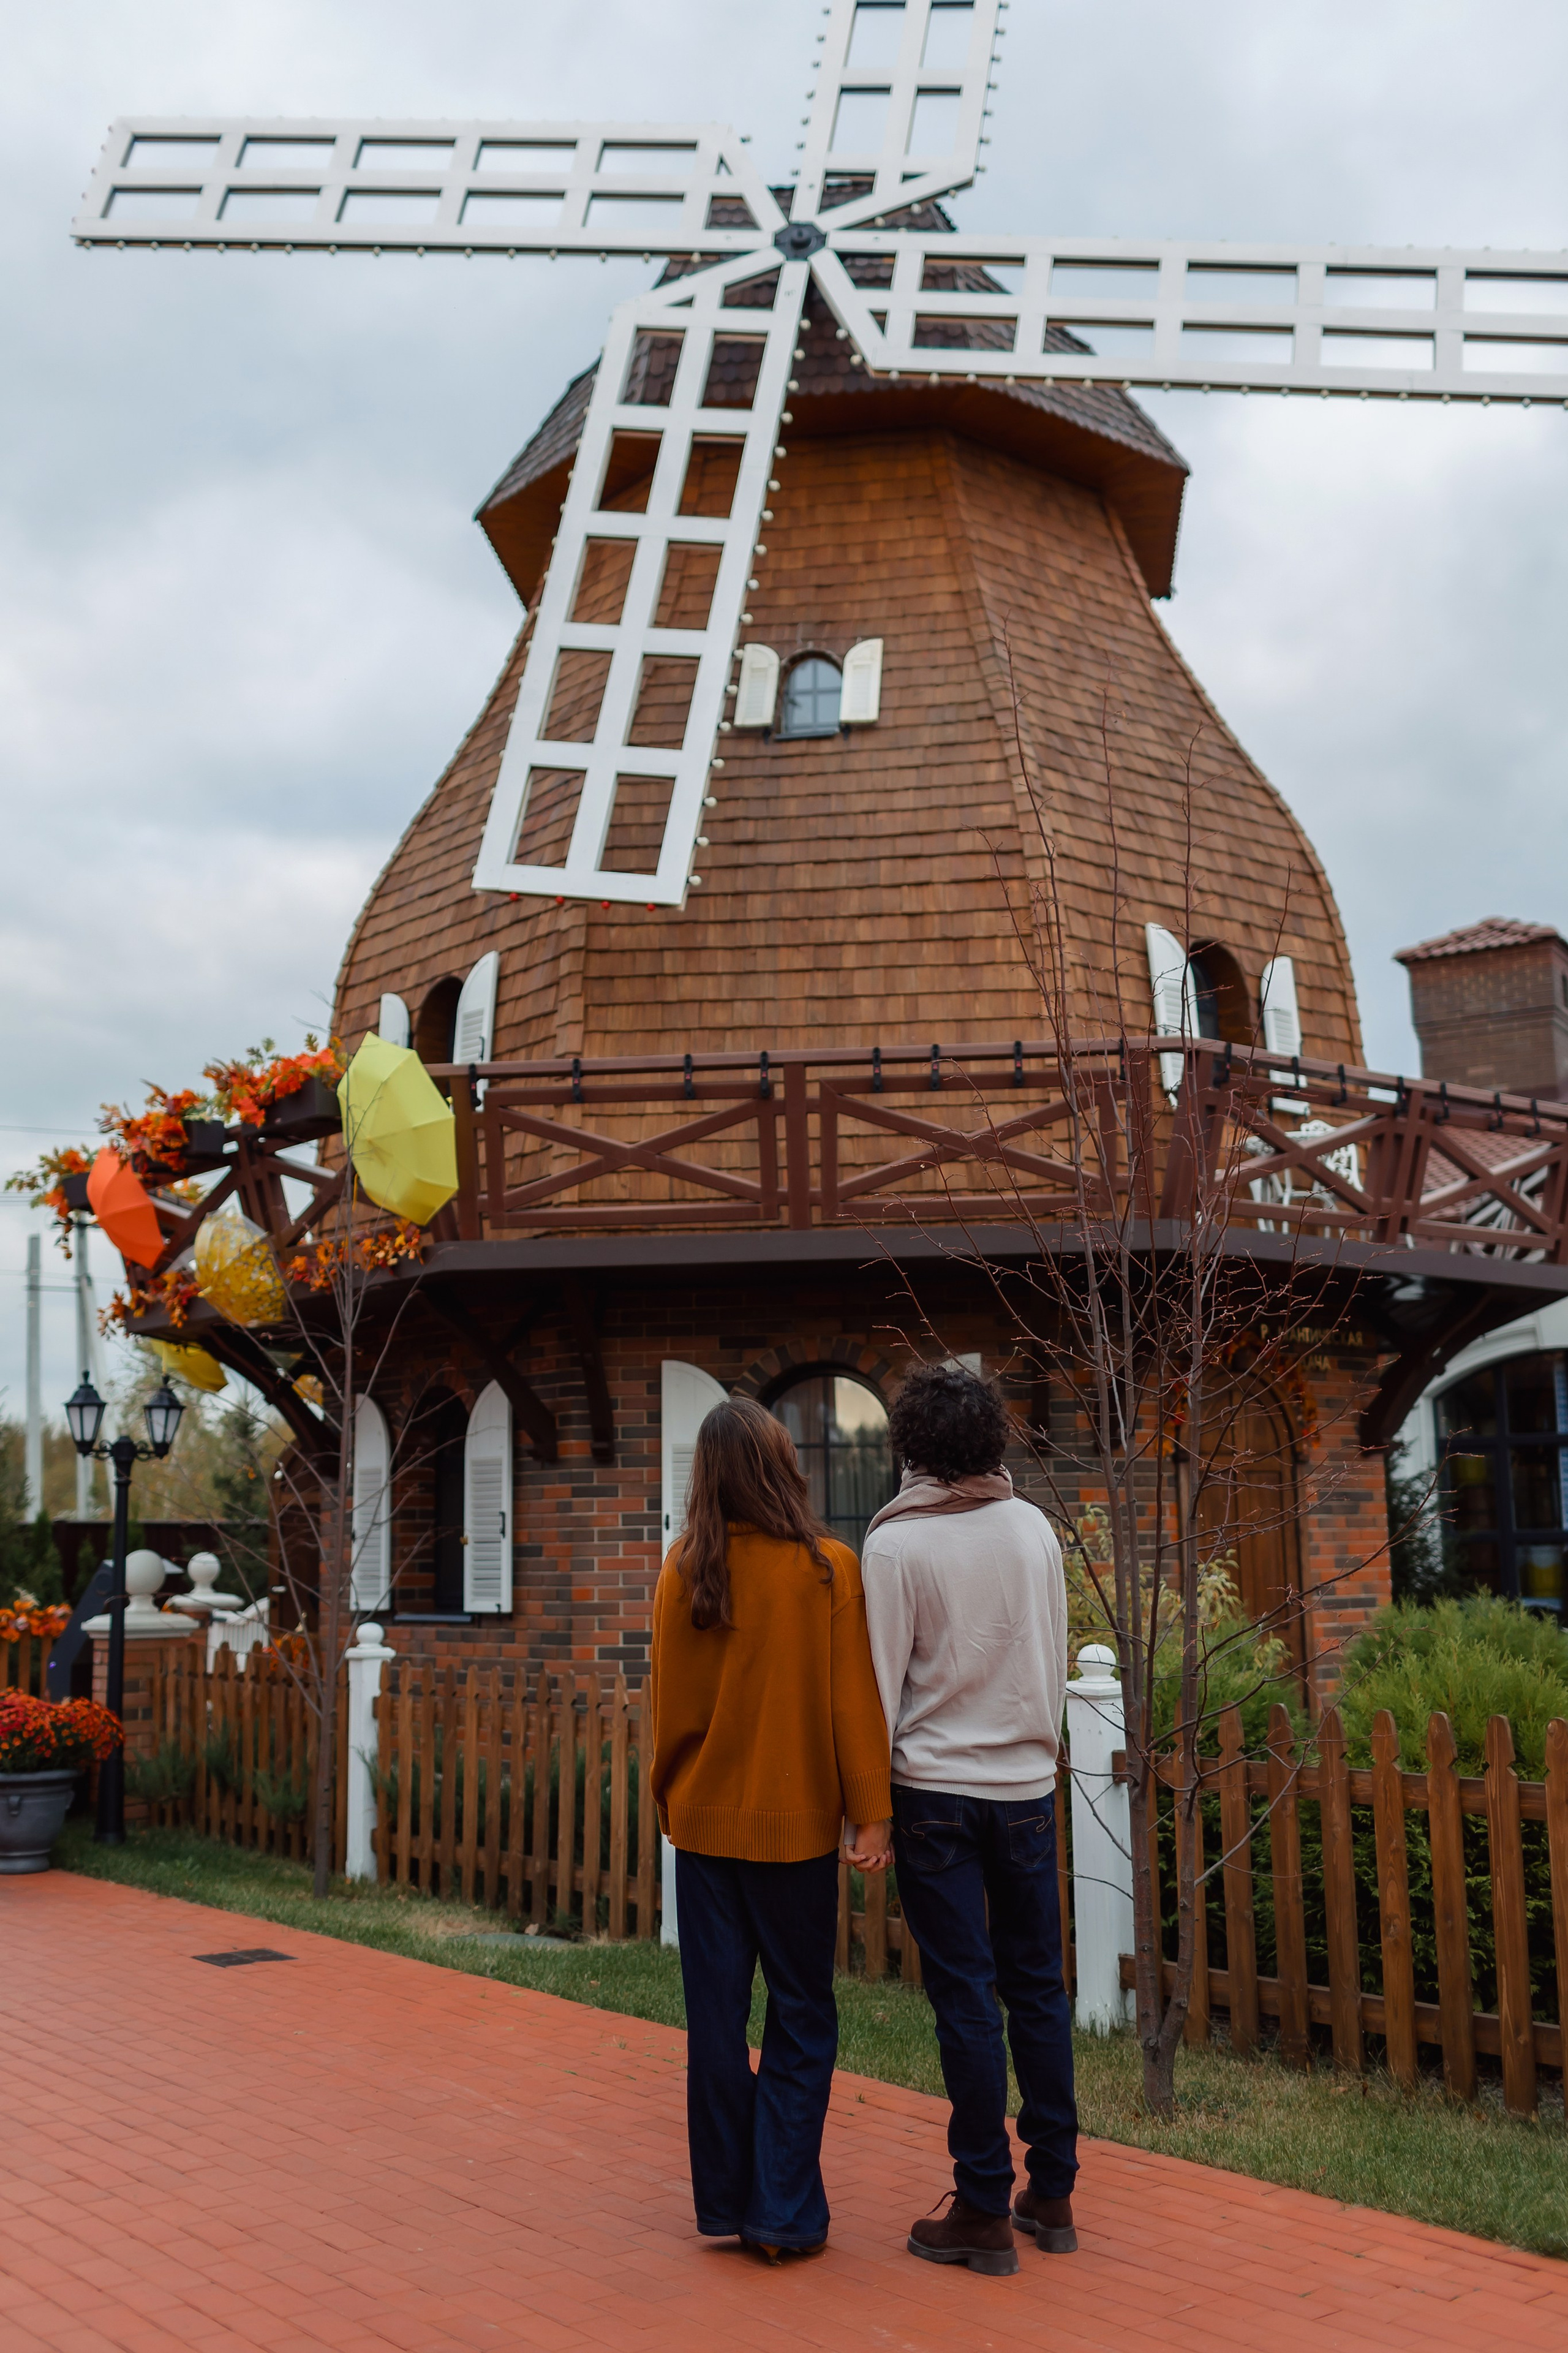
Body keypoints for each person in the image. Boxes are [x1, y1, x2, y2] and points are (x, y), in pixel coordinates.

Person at [649, 1394, 892, 2262]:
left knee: (715, 2022)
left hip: (705, 1833)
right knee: (802, 2014)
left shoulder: (683, 1570)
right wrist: (872, 1810)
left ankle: (728, 2202)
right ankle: (782, 2211)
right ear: (779, 1466)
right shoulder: (828, 1568)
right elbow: (851, 1702)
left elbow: (668, 1712)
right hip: (792, 1838)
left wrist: (671, 1795)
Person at [861, 1361, 1076, 2279]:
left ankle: (985, 2206)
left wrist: (867, 1812)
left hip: (935, 1793)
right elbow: (1057, 1650)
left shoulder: (895, 1546)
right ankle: (1054, 2190)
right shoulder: (1033, 1528)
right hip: (1027, 1788)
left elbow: (877, 1685)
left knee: (966, 2000)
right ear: (993, 1440)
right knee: (1037, 1987)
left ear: (911, 1445)